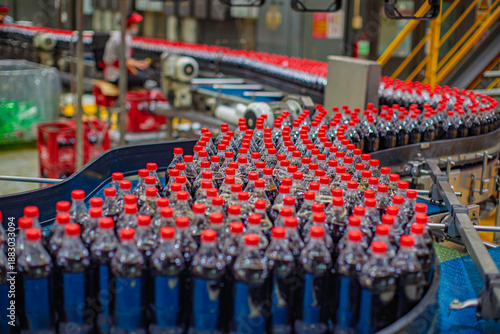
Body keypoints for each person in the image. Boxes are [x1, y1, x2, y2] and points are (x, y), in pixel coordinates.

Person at [103, 12, 149, 89]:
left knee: (141, 75)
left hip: (114, 72)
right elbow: (125, 62)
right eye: (135, 24)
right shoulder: (122, 39)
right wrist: (137, 70)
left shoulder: (121, 36)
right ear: (130, 24)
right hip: (115, 76)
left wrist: (138, 64)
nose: (136, 27)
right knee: (142, 78)